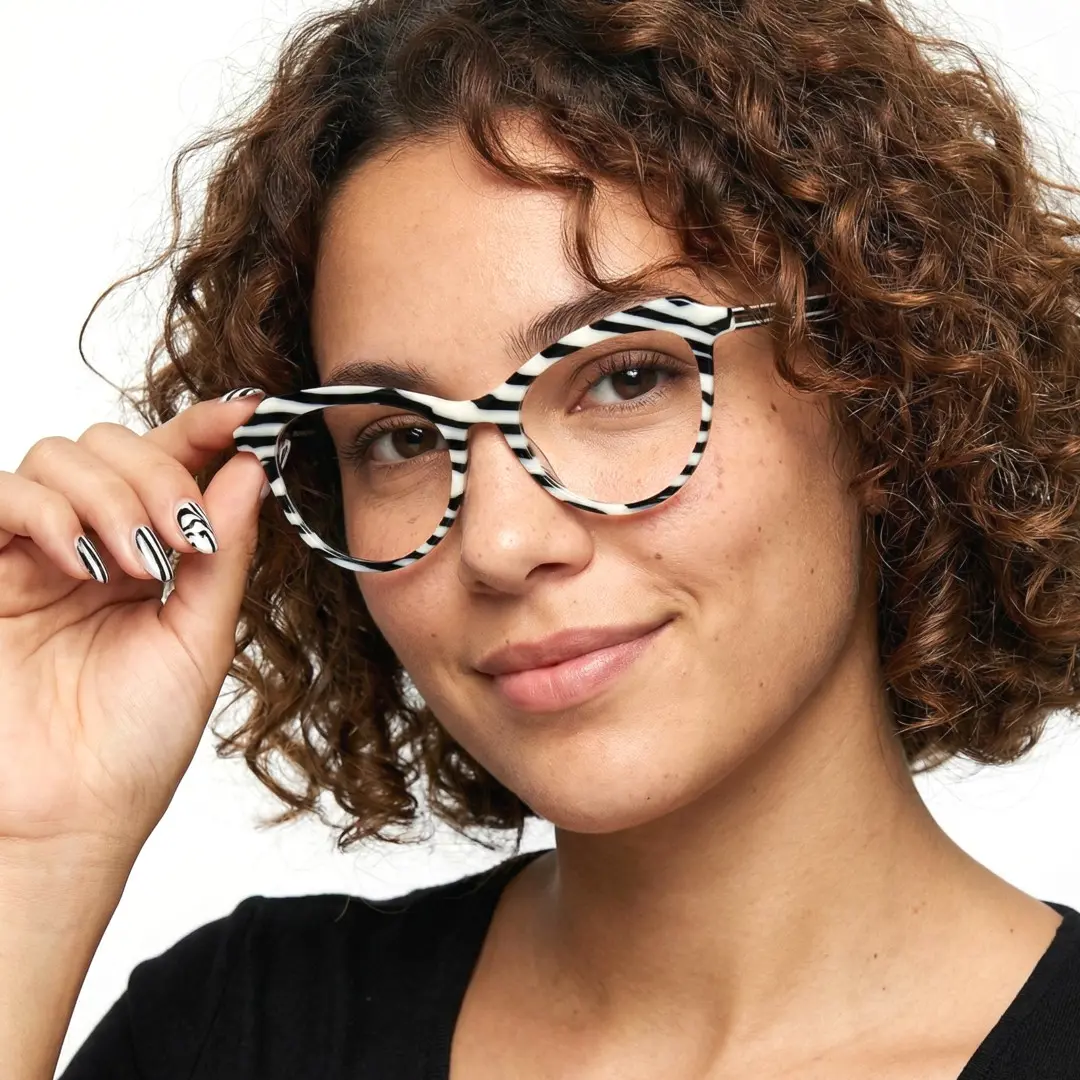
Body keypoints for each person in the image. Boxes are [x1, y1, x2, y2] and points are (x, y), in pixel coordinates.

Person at [3, 0, 1080, 1076]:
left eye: (626, 377)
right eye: (401, 438)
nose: (501, 540)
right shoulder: (236, 1036)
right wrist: (32, 851)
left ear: (879, 383)